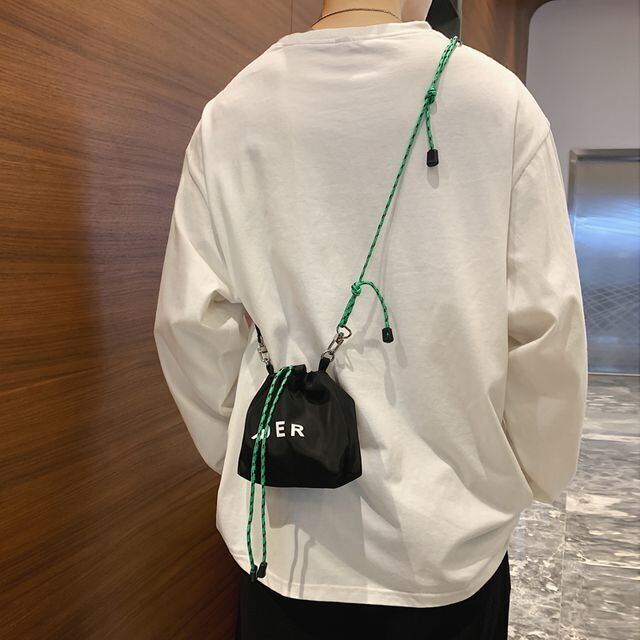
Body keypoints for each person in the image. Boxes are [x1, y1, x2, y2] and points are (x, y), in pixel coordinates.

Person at [153, 1, 588, 638]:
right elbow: (548, 331)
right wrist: (527, 476)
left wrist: (247, 450)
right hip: (447, 544)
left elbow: (189, 322)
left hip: (285, 539)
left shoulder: (232, 112)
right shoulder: (501, 105)